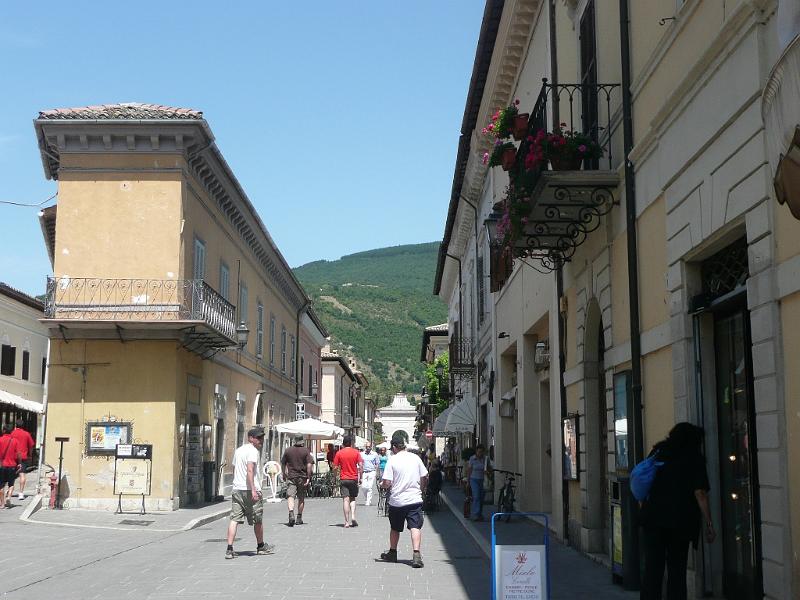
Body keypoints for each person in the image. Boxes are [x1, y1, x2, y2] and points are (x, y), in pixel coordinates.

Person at [640, 422, 716, 600]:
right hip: (680, 522)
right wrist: (709, 523)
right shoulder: (694, 458)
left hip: (653, 520)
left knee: (653, 568)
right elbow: (700, 493)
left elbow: (643, 483)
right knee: (677, 569)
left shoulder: (658, 452)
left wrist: (646, 510)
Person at [379, 431, 429, 568]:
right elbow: (425, 476)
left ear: (394, 447)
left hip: (397, 501)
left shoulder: (392, 460)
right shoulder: (415, 458)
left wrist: (382, 485)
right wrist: (422, 490)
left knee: (395, 528)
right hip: (414, 499)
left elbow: (387, 482)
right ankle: (417, 555)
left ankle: (393, 552)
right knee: (415, 526)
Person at [225, 426, 274, 559]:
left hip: (237, 489)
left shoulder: (238, 451)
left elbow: (235, 468)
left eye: (262, 438)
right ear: (250, 438)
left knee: (234, 519)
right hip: (250, 490)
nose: (261, 440)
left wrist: (236, 483)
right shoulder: (253, 451)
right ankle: (261, 546)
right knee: (257, 519)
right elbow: (250, 470)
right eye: (258, 438)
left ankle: (229, 549)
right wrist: (253, 489)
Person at [281, 434, 314, 527]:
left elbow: (283, 463)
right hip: (302, 477)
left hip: (291, 477)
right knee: (301, 498)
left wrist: (284, 473)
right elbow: (309, 465)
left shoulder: (288, 451)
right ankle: (299, 518)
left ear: (295, 441)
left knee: (290, 496)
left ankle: (291, 513)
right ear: (302, 441)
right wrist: (308, 477)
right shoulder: (306, 451)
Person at [333, 435, 363, 527]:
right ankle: (353, 517)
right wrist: (360, 477)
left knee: (345, 500)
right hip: (353, 478)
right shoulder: (356, 452)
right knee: (352, 498)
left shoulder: (339, 453)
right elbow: (361, 466)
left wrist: (335, 477)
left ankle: (346, 522)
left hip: (343, 478)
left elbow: (335, 467)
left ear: (343, 443)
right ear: (351, 443)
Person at [465, 444, 492, 521]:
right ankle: (476, 514)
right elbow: (469, 470)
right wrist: (468, 481)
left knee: (481, 498)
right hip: (474, 479)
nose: (480, 453)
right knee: (476, 496)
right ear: (476, 452)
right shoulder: (472, 459)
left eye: (481, 452)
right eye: (479, 452)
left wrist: (488, 472)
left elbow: (490, 468)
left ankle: (480, 514)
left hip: (483, 480)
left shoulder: (486, 459)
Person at [10, 420, 34, 500]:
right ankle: (21, 493)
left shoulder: (12, 433)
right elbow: (31, 446)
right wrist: (30, 455)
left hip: (12, 457)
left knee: (10, 474)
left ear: (16, 425)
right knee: (22, 474)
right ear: (23, 426)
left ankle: (9, 491)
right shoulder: (26, 434)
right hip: (23, 457)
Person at [0, 425, 19, 508]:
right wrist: (20, 463)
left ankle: (2, 504)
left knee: (1, 485)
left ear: (3, 430)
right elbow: (18, 454)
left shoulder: (0, 440)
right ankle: (8, 497)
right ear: (11, 431)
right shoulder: (15, 441)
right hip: (12, 465)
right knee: (11, 484)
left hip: (2, 465)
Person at [359, 441, 380, 506]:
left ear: (371, 447)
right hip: (364, 472)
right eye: (367, 447)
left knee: (370, 487)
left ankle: (368, 501)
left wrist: (377, 473)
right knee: (363, 487)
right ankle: (367, 498)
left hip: (372, 472)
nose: (368, 448)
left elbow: (377, 464)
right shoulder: (361, 454)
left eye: (369, 447)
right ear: (365, 447)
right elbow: (360, 464)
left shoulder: (375, 454)